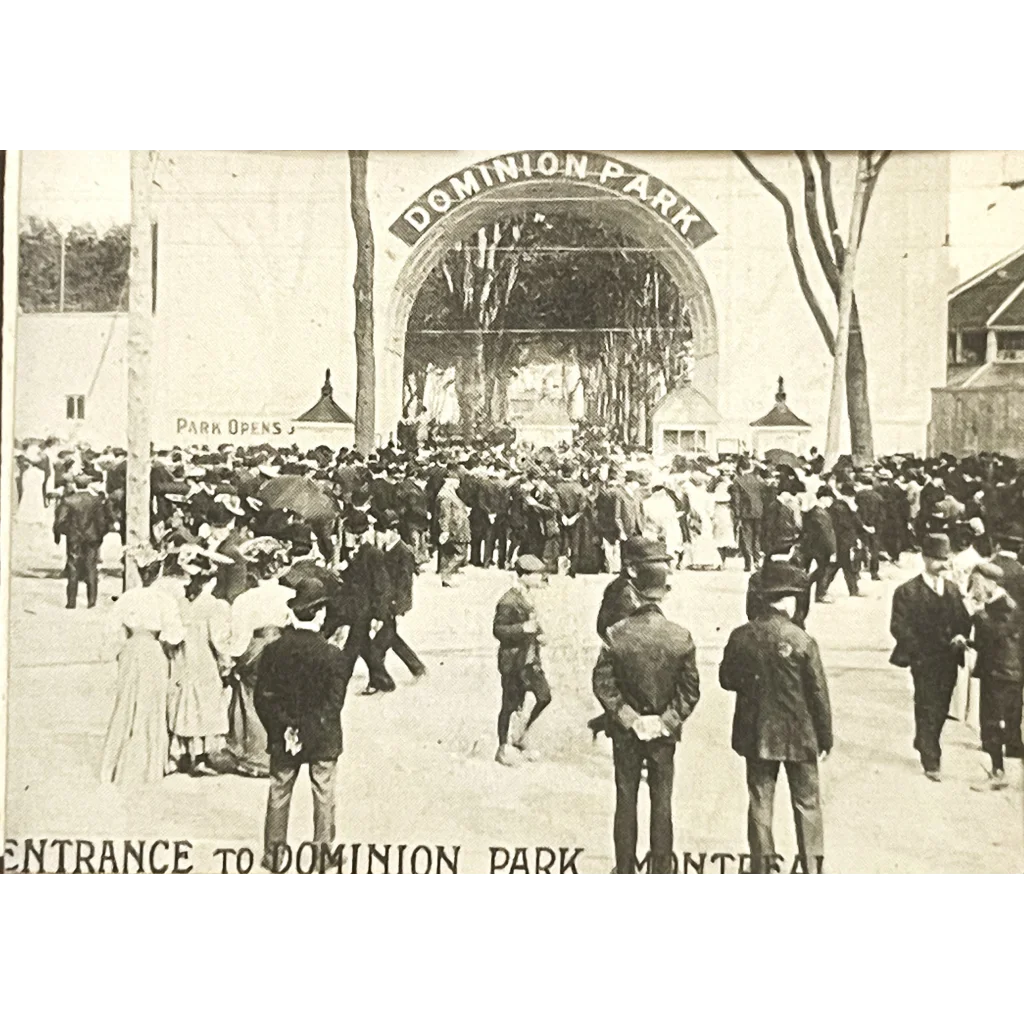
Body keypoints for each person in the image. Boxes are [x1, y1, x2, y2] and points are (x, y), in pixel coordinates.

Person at [719, 560, 832, 876]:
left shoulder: (741, 635)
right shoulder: (802, 640)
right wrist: (826, 737)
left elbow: (726, 679)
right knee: (807, 803)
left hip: (756, 733)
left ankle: (762, 870)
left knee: (760, 801)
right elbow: (818, 695)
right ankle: (811, 870)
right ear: (790, 599)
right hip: (801, 734)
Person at [592, 558, 700, 877]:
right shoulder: (680, 637)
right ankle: (662, 871)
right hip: (663, 734)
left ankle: (625, 870)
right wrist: (665, 721)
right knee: (662, 801)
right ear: (664, 594)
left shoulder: (615, 634)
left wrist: (629, 717)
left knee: (625, 799)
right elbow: (690, 691)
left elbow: (603, 684)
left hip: (627, 732)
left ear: (636, 594)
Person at [255, 578, 352, 872]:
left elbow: (263, 698)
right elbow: (334, 703)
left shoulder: (274, 650)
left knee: (279, 790)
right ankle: (323, 854)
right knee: (323, 792)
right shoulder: (333, 655)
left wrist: (285, 727)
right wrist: (307, 727)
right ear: (320, 614)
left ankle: (274, 854)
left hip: (284, 736)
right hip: (322, 736)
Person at [889, 534, 972, 781]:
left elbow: (962, 621)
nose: (941, 564)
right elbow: (899, 627)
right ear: (924, 558)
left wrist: (960, 635)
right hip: (924, 660)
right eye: (936, 559)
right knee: (926, 703)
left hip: (948, 659)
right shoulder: (907, 591)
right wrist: (918, 651)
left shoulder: (953, 590)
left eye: (944, 559)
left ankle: (924, 739)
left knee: (943, 706)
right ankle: (930, 757)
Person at [100, 547, 185, 785]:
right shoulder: (165, 600)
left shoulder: (127, 598)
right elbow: (175, 634)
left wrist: (118, 648)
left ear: (139, 571)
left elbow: (112, 630)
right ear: (158, 573)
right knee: (152, 705)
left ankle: (112, 766)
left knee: (126, 702)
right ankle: (149, 768)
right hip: (153, 650)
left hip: (131, 649)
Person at [217, 537, 293, 777]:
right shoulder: (289, 593)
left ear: (253, 570)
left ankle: (257, 756)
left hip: (257, 648)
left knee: (250, 695)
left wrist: (229, 658)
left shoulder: (245, 600)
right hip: (284, 646)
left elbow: (239, 639)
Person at [168, 546, 235, 775]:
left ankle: (186, 754)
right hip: (204, 662)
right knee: (205, 705)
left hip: (183, 660)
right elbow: (219, 641)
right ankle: (202, 757)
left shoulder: (181, 601)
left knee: (187, 704)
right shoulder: (214, 606)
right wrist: (226, 665)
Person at [967, 562, 1024, 790]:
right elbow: (987, 641)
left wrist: (977, 614)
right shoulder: (1000, 604)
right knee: (999, 722)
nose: (973, 589)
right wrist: (968, 642)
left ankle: (998, 773)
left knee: (992, 722)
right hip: (1004, 672)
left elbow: (996, 634)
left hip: (1002, 673)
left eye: (976, 584)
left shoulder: (1005, 607)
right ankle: (997, 770)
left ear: (989, 583)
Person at [492, 554, 552, 767]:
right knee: (510, 703)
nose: (540, 578)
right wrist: (522, 629)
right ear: (524, 575)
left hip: (530, 659)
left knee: (544, 696)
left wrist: (539, 635)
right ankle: (503, 747)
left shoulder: (527, 597)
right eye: (536, 575)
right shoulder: (508, 600)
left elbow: (533, 623)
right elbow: (498, 630)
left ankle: (521, 735)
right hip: (513, 661)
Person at [377, 510, 427, 680]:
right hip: (385, 598)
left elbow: (405, 581)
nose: (380, 536)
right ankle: (415, 666)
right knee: (389, 636)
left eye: (382, 532)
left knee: (385, 638)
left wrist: (396, 602)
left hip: (392, 600)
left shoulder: (402, 552)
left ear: (393, 532)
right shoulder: (386, 548)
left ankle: (378, 674)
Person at [53, 475, 111, 609]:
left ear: (75, 485)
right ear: (88, 484)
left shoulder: (68, 500)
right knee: (91, 568)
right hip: (92, 538)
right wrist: (100, 535)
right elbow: (102, 521)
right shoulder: (96, 500)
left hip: (74, 538)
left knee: (73, 567)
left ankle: (71, 602)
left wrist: (65, 533)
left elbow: (60, 521)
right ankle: (91, 602)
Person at [799, 488, 838, 603]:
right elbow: (827, 533)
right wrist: (832, 550)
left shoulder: (812, 512)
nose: (830, 502)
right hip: (821, 547)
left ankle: (806, 585)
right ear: (823, 498)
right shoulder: (822, 514)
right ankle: (820, 593)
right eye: (830, 499)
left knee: (819, 569)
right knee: (824, 569)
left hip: (811, 545)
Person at [436, 473, 471, 587]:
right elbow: (444, 515)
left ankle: (447, 577)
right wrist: (445, 530)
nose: (459, 484)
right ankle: (446, 575)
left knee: (450, 553)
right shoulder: (445, 496)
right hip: (455, 528)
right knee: (461, 553)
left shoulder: (450, 493)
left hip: (457, 526)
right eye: (457, 481)